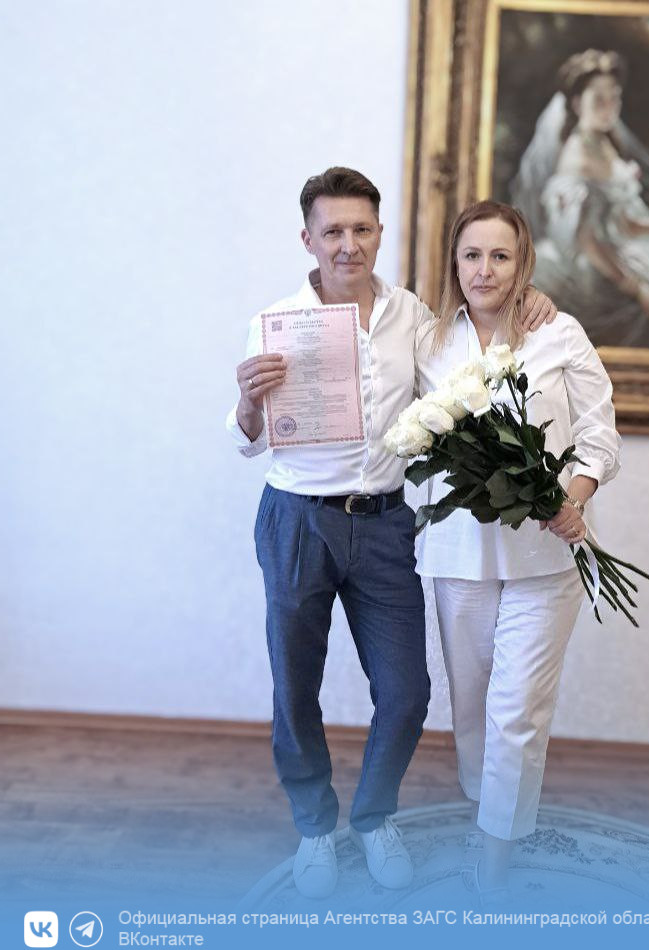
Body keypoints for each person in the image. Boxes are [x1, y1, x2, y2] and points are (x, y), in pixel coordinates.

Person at [227, 168, 555, 899]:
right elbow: (249, 438)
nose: (348, 244)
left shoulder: (415, 317)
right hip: (297, 520)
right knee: (295, 687)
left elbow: (473, 349)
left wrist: (531, 299)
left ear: (380, 234)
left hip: (384, 522)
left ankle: (374, 818)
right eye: (333, 232)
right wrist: (247, 403)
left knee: (407, 692)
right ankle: (315, 827)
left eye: (361, 229)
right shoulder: (275, 321)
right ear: (308, 239)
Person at [414, 200, 622, 903]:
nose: (485, 270)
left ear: (522, 262)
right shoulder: (429, 340)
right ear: (454, 262)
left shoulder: (558, 333)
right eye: (472, 255)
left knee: (517, 709)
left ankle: (495, 857)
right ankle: (490, 809)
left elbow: (600, 435)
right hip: (459, 556)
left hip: (545, 558)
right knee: (472, 708)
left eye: (500, 256)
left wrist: (574, 499)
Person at [512, 49, 649, 350]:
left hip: (620, 247)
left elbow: (624, 223)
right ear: (577, 104)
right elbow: (588, 242)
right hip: (598, 267)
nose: (609, 108)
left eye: (614, 97)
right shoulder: (577, 159)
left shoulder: (602, 142)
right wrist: (638, 289)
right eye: (598, 99)